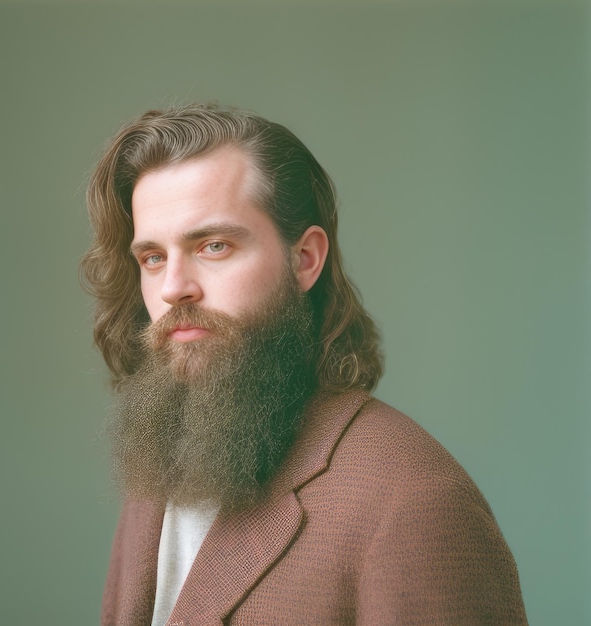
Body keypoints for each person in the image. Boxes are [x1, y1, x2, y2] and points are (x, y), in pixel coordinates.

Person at [82, 103, 528, 625]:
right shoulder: (161, 467)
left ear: (306, 259)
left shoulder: (415, 501)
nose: (174, 286)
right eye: (153, 258)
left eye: (214, 245)